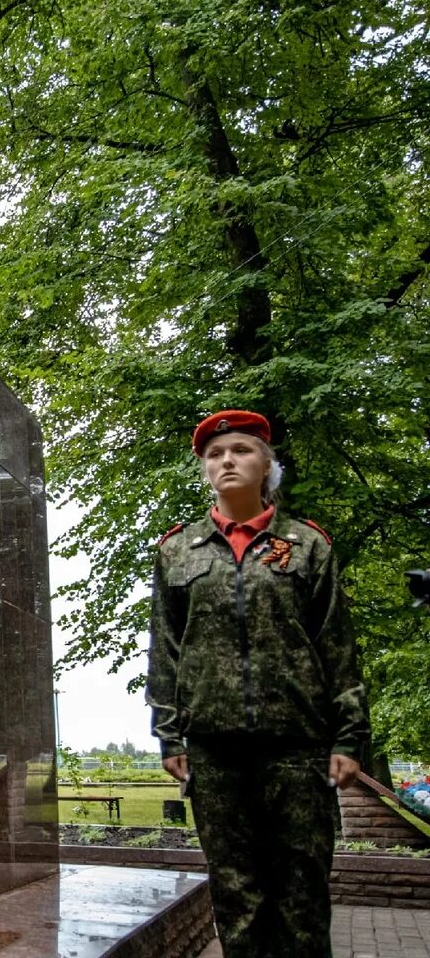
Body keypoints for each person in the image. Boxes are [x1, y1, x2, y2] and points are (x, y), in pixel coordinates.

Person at [146, 410, 369, 958]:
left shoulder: (308, 546)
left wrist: (348, 737)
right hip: (215, 752)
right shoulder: (178, 551)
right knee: (236, 895)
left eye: (242, 450)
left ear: (266, 465)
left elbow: (337, 645)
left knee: (303, 894)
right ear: (204, 470)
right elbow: (166, 649)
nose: (228, 460)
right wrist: (170, 736)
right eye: (216, 454)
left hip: (297, 748)